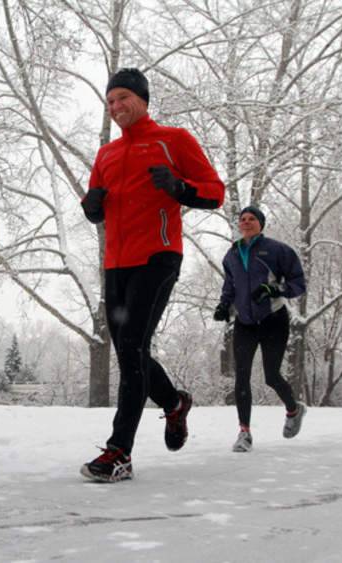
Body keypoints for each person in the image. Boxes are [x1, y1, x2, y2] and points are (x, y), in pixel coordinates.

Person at [79, 68, 225, 482]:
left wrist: (180, 187)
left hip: (158, 257)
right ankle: (174, 403)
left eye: (123, 98)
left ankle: (119, 452)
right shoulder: (106, 154)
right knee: (131, 350)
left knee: (130, 346)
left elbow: (215, 191)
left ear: (142, 100)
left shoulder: (173, 140)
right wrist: (91, 206)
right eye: (110, 102)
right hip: (115, 263)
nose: (116, 107)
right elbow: (96, 204)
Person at [213, 206, 307, 453]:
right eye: (242, 219)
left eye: (252, 219)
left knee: (271, 376)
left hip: (273, 319)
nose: (246, 222)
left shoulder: (277, 250)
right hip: (245, 323)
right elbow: (229, 286)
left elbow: (298, 284)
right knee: (241, 377)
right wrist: (224, 306)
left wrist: (274, 290)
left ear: (261, 223)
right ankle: (244, 433)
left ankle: (294, 409)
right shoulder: (232, 254)